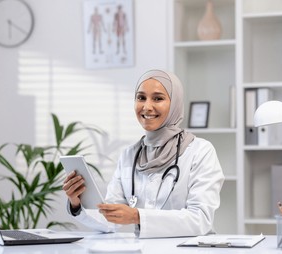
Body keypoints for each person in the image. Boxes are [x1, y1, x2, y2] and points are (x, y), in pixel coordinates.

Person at [62, 69, 224, 238]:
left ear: (175, 103)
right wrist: (76, 203)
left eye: (158, 98)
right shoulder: (130, 155)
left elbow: (200, 219)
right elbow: (110, 221)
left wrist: (137, 216)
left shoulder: (200, 151)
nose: (147, 107)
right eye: (141, 98)